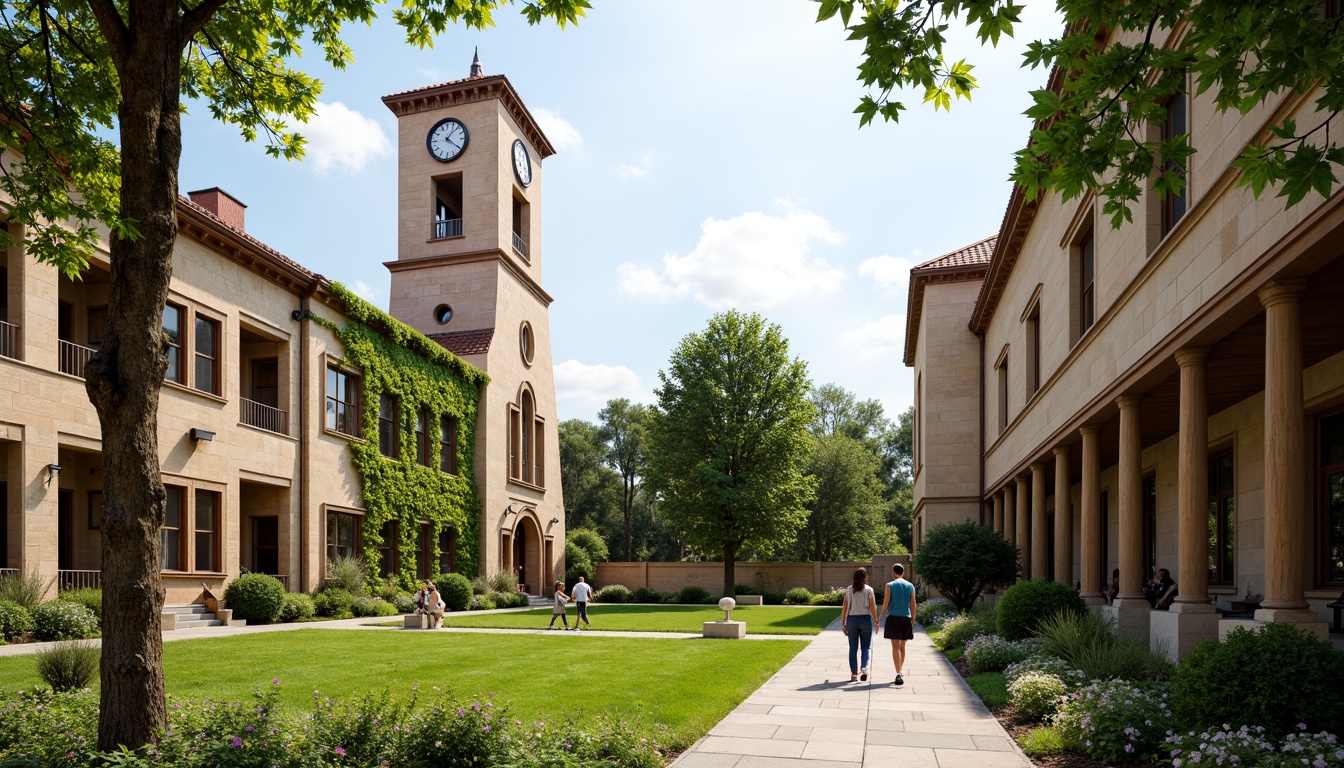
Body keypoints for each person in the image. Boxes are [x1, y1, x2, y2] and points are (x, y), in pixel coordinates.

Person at [879, 563, 916, 688]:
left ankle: (898, 673)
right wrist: (913, 619)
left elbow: (886, 602)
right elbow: (913, 604)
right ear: (903, 572)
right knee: (902, 646)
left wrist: (881, 614)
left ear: (893, 572)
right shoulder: (910, 586)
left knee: (895, 647)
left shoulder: (889, 585)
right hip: (906, 618)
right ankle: (900, 670)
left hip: (893, 618)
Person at [841, 567, 878, 682]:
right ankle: (864, 668)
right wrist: (876, 621)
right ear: (865, 577)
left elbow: (845, 606)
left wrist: (843, 622)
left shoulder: (849, 589)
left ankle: (853, 674)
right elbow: (873, 607)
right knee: (866, 647)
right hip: (865, 619)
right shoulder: (869, 590)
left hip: (852, 619)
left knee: (853, 648)